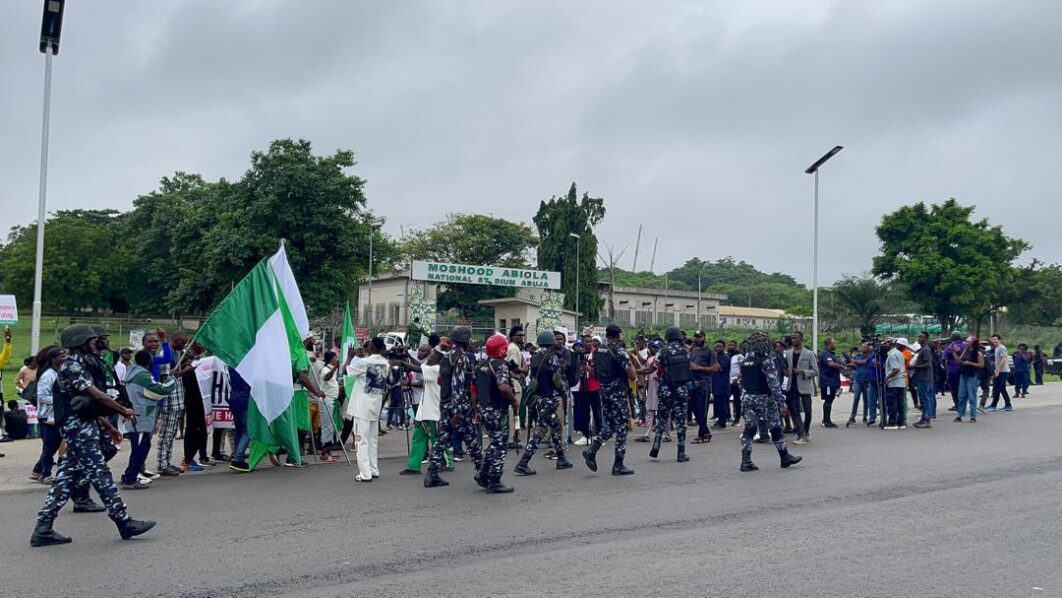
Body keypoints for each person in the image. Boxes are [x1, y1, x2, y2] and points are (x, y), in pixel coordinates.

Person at [30, 324, 155, 547]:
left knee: (65, 478)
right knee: (100, 473)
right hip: (78, 429)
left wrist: (107, 425)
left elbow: (83, 404)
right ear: (81, 344)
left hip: (82, 426)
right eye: (91, 341)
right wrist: (122, 409)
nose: (95, 343)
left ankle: (43, 528)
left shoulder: (80, 364)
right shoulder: (72, 367)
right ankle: (123, 521)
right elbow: (94, 395)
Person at [424, 326, 484, 488]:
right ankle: (482, 472)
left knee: (442, 439)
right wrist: (458, 410)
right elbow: (458, 384)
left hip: (445, 403)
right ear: (465, 340)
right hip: (458, 406)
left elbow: (440, 381)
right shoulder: (461, 358)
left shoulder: (446, 357)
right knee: (471, 439)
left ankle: (432, 474)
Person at [739, 332, 802, 472]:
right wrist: (781, 402)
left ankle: (746, 461)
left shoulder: (745, 361)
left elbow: (742, 382)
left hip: (748, 398)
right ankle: (785, 457)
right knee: (775, 427)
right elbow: (773, 383)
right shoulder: (767, 361)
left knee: (749, 429)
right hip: (765, 398)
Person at [515, 330, 575, 476]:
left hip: (539, 397)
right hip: (549, 398)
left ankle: (561, 459)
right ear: (550, 342)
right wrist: (562, 390)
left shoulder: (535, 357)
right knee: (540, 431)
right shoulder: (552, 357)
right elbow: (556, 378)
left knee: (555, 427)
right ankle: (523, 462)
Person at [582, 324, 637, 476]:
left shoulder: (598, 350)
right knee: (621, 426)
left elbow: (593, 373)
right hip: (618, 393)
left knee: (610, 425)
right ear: (618, 336)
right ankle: (618, 464)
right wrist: (630, 363)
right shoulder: (619, 351)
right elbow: (632, 375)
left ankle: (592, 450)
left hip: (603, 391)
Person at [121, 350, 176, 490]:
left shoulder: (133, 372)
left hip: (137, 415)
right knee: (140, 449)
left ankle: (128, 475)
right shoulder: (143, 375)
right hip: (140, 417)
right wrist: (172, 380)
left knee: (139, 448)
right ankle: (130, 479)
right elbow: (159, 390)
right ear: (149, 361)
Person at [399, 340, 454, 476]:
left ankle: (447, 462)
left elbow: (418, 368)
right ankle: (413, 466)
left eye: (431, 356)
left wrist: (401, 363)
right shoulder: (431, 368)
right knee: (418, 438)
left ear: (437, 359)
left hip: (433, 411)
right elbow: (420, 365)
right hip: (424, 410)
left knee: (437, 439)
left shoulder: (437, 370)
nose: (428, 358)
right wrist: (407, 358)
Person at [476, 333, 520, 493]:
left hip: (484, 408)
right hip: (496, 409)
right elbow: (503, 387)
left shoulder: (482, 365)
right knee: (500, 445)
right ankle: (494, 480)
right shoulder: (500, 365)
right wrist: (514, 400)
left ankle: (482, 474)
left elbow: (475, 389)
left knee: (494, 442)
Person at [344, 337, 390, 482]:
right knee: (372, 440)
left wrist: (349, 357)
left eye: (367, 346)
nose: (365, 348)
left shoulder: (364, 362)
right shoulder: (385, 363)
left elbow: (345, 371)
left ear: (372, 348)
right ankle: (373, 469)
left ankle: (365, 474)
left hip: (361, 407)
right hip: (375, 405)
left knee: (360, 441)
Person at [650, 326, 692, 463]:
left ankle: (656, 444)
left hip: (665, 388)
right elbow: (690, 367)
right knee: (681, 420)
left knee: (662, 418)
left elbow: (653, 367)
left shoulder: (663, 351)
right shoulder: (686, 351)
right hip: (681, 389)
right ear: (680, 337)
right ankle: (681, 452)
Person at [30, 346, 65, 483]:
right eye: (61, 356)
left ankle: (41, 471)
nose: (64, 359)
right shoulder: (48, 375)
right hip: (47, 417)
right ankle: (45, 474)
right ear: (53, 359)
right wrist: (61, 401)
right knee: (49, 448)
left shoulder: (58, 373)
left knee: (53, 446)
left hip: (56, 416)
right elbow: (42, 396)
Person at [785, 331, 817, 443]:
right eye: (792, 338)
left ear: (801, 339)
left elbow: (815, 371)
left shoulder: (809, 353)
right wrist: (786, 372)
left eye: (796, 338)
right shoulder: (788, 353)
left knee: (808, 411)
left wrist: (803, 371)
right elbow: (785, 368)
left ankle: (806, 430)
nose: (794, 340)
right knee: (794, 411)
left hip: (805, 385)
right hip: (791, 386)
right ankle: (800, 434)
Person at [688, 331, 718, 443]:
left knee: (702, 410)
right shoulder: (693, 351)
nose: (697, 339)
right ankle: (706, 432)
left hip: (704, 383)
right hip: (692, 382)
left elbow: (715, 368)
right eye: (696, 337)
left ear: (704, 338)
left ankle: (701, 435)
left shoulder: (710, 352)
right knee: (694, 409)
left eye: (699, 337)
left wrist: (699, 368)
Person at [505, 326, 528, 450]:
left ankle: (515, 435)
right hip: (514, 383)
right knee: (514, 413)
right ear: (513, 336)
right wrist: (524, 370)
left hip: (516, 382)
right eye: (518, 335)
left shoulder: (515, 348)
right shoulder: (513, 348)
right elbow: (512, 365)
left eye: (522, 335)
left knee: (516, 413)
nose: (521, 337)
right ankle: (512, 438)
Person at [227, 367, 252, 472]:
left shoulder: (232, 367)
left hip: (234, 399)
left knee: (239, 430)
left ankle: (238, 457)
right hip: (245, 400)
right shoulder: (247, 368)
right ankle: (238, 458)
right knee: (248, 431)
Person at [910, 332, 936, 428]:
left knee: (925, 399)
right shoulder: (921, 349)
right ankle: (923, 418)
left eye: (921, 337)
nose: (919, 338)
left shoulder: (925, 350)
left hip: (925, 378)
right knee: (923, 399)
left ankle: (927, 419)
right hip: (921, 378)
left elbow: (928, 364)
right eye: (918, 336)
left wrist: (915, 366)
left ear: (926, 338)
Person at [955, 337, 983, 423]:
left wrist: (970, 363)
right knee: (961, 396)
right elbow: (959, 360)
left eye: (967, 341)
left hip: (972, 376)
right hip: (963, 375)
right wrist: (955, 352)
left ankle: (973, 416)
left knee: (972, 397)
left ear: (972, 343)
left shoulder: (978, 353)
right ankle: (959, 415)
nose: (965, 343)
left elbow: (981, 365)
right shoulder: (965, 351)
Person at [818, 338, 843, 428]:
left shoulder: (831, 354)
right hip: (827, 382)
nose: (835, 345)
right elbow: (831, 364)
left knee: (830, 400)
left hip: (832, 381)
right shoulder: (825, 353)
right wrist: (841, 366)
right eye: (834, 343)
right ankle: (826, 421)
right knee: (828, 400)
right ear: (829, 344)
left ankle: (827, 420)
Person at [883, 339, 908, 430]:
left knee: (892, 404)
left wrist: (887, 377)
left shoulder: (893, 354)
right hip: (901, 382)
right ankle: (901, 423)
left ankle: (892, 423)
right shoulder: (900, 354)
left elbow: (896, 369)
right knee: (900, 404)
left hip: (894, 382)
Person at [986, 335, 1013, 412]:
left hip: (1003, 371)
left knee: (1001, 388)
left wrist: (998, 370)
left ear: (999, 340)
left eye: (995, 339)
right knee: (996, 389)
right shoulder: (996, 348)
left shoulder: (1002, 348)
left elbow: (1004, 359)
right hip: (998, 371)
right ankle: (994, 405)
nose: (994, 341)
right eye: (992, 339)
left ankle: (1008, 405)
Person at [847, 343, 871, 426]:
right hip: (858, 380)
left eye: (864, 347)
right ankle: (852, 417)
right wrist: (850, 357)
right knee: (856, 398)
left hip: (867, 380)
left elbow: (864, 362)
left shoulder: (870, 356)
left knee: (866, 399)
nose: (862, 348)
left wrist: (854, 361)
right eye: (862, 347)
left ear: (868, 349)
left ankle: (865, 417)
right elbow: (853, 364)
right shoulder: (858, 356)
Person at [944, 332, 965, 411]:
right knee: (962, 388)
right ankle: (962, 404)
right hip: (963, 369)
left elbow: (943, 357)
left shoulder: (950, 346)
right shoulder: (964, 345)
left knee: (954, 388)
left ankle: (957, 404)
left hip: (952, 370)